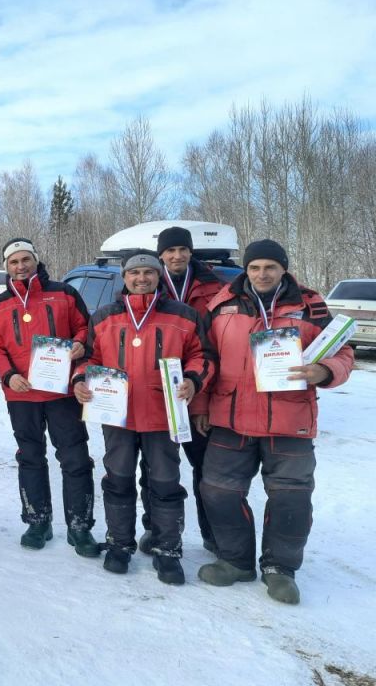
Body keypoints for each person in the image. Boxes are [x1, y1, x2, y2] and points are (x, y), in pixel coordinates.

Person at [194, 239, 353, 604]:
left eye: (269, 266)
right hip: (230, 417)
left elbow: (343, 351)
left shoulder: (309, 305)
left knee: (291, 498)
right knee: (218, 491)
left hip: (290, 417)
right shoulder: (221, 305)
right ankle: (235, 561)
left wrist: (324, 371)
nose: (261, 274)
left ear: (283, 268)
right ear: (245, 270)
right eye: (254, 267)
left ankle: (280, 569)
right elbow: (207, 357)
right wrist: (201, 405)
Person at [73, 250, 211, 585]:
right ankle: (120, 544)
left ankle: (167, 549)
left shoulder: (184, 315)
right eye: (134, 274)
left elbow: (203, 355)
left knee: (164, 484)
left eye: (148, 272)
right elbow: (90, 357)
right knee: (117, 480)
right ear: (125, 278)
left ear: (158, 275)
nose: (141, 279)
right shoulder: (105, 316)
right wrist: (80, 380)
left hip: (163, 414)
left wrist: (193, 381)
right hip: (117, 416)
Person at [0, 238, 100, 557]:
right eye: (13, 262)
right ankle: (38, 521)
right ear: (7, 266)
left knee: (75, 458)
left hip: (62, 391)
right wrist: (9, 375)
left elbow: (85, 328)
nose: (20, 266)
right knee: (30, 457)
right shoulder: (0, 304)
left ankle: (80, 525)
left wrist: (80, 344)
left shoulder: (64, 293)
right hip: (21, 393)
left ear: (36, 261)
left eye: (26, 259)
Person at [137, 226, 224, 556]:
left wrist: (201, 401)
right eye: (170, 251)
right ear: (160, 255)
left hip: (197, 392)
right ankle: (156, 529)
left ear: (191, 252)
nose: (176, 256)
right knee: (154, 470)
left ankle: (213, 534)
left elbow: (212, 350)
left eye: (182, 250)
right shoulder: (144, 285)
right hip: (156, 400)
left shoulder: (215, 287)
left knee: (206, 470)